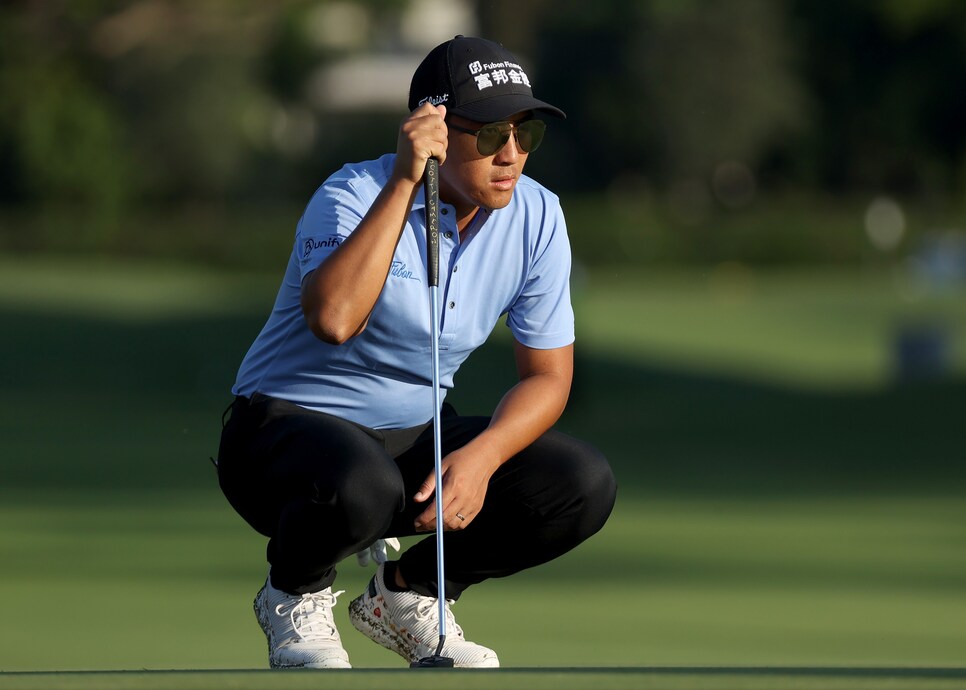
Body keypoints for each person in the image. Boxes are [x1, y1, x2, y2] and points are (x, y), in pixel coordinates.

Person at [216, 35, 617, 669]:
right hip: (281, 439)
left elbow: (548, 377)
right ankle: (293, 590)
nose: (511, 155)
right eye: (490, 136)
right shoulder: (351, 194)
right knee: (360, 484)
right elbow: (333, 319)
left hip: (408, 445)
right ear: (430, 128)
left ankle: (410, 594)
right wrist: (405, 181)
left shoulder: (538, 217)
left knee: (578, 483)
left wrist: (483, 457)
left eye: (526, 134)